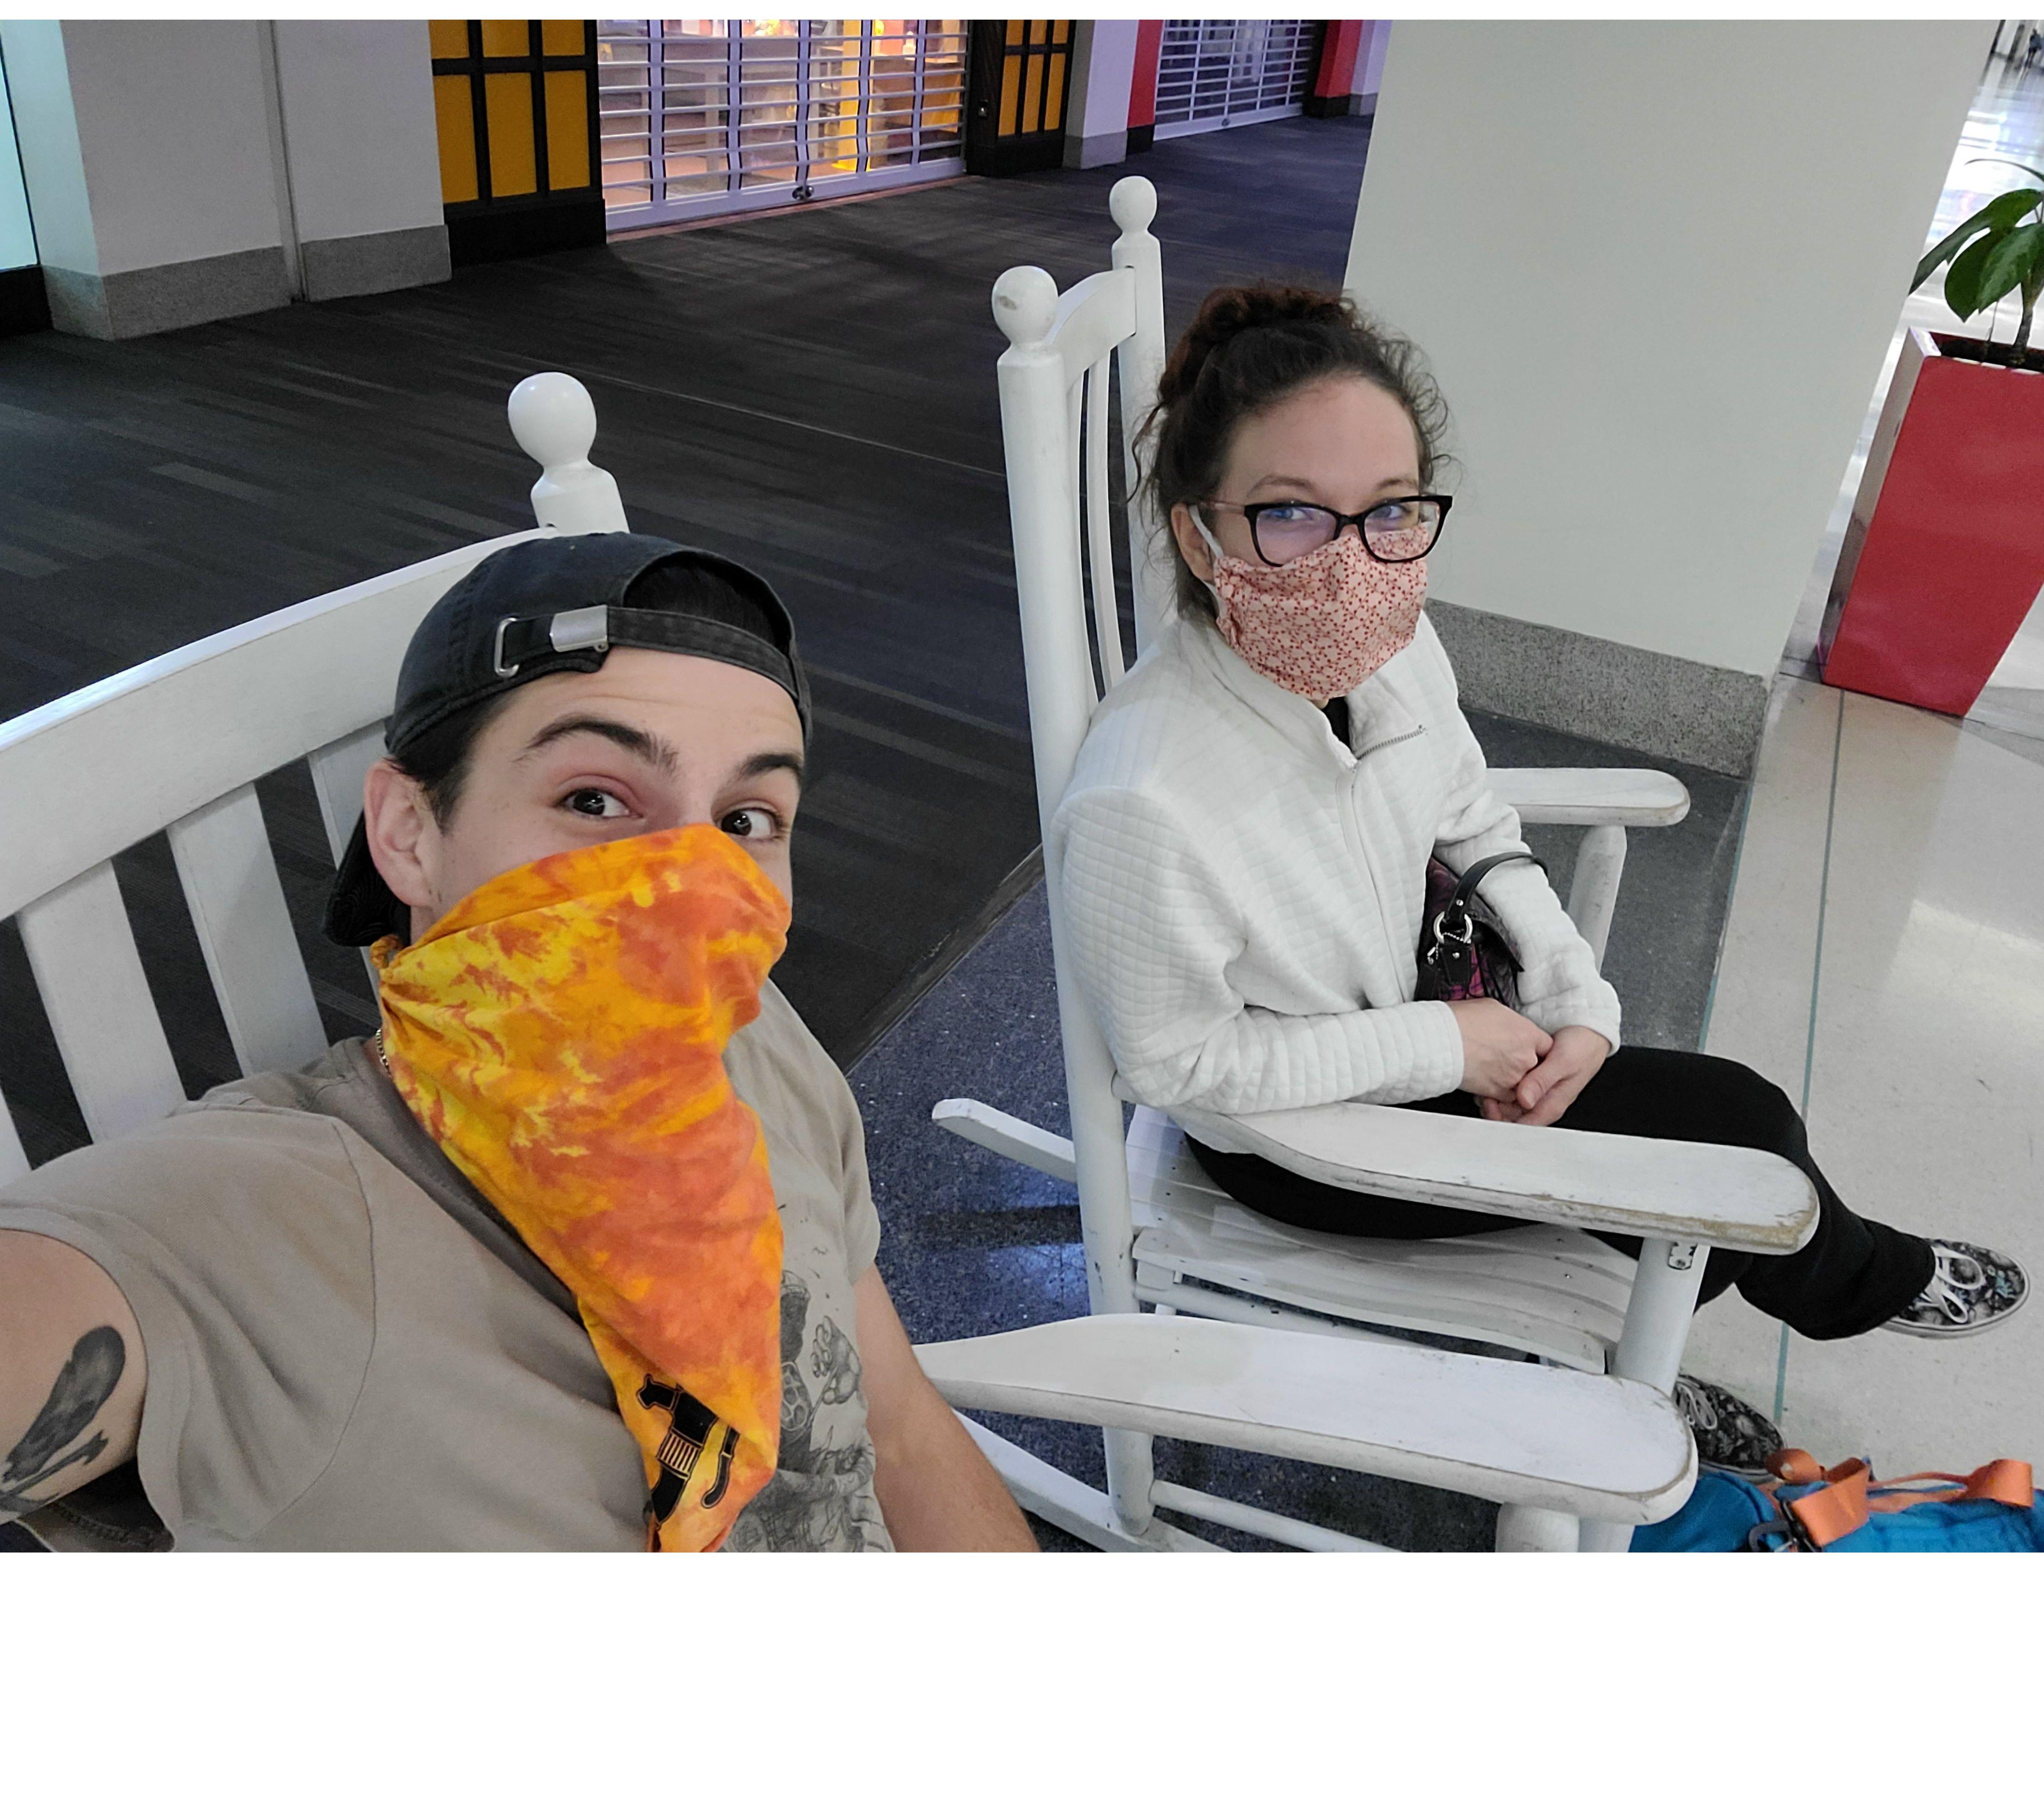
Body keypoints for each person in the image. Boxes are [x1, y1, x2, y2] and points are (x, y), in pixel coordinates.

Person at [1052, 285, 2027, 1469]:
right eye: (1291, 514)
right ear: (1199, 533)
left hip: (1437, 1003)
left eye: (1392, 509)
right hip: (1306, 1136)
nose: (1355, 563)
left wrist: (1574, 994)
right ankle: (1807, 1299)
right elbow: (1178, 1065)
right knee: (1742, 1136)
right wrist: (1445, 1046)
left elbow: (1470, 816)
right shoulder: (1147, 800)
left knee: (1706, 1131)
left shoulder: (1392, 645)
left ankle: (1667, 1344)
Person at [0, 533, 1038, 1552]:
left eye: (744, 821)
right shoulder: (265, 1220)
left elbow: (900, 1428)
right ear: (408, 833)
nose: (688, 888)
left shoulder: (758, 1043)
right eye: (594, 800)